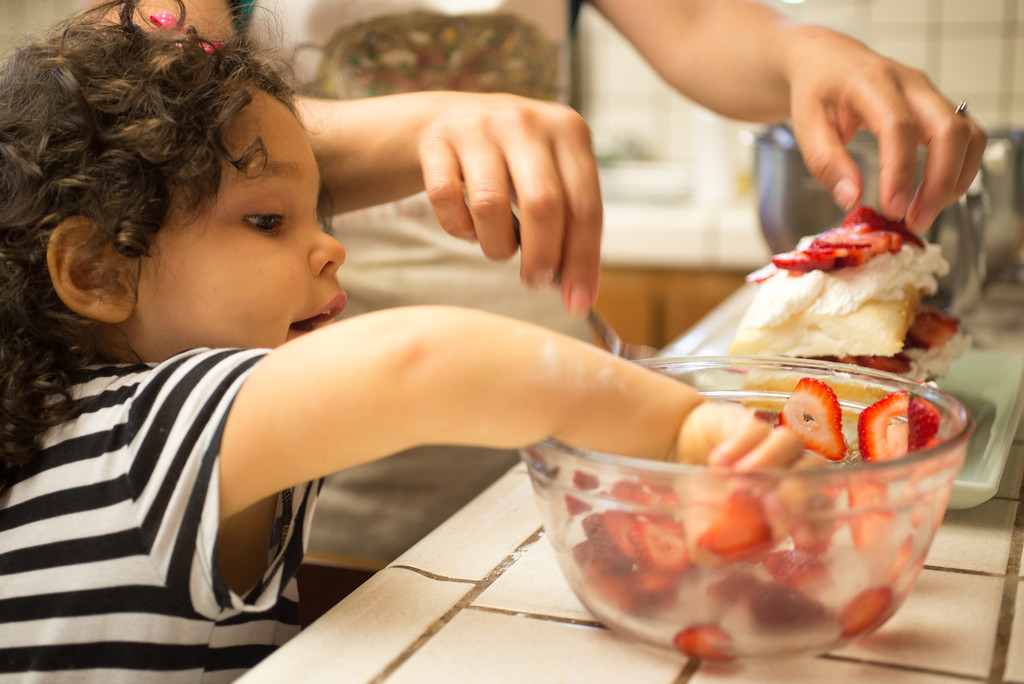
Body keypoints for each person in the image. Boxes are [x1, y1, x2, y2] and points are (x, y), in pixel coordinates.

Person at [0, 2, 805, 679]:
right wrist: (680, 427)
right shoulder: (159, 430)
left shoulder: (87, 426)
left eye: (323, 214)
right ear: (99, 270)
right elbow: (421, 365)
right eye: (268, 221)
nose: (330, 248)